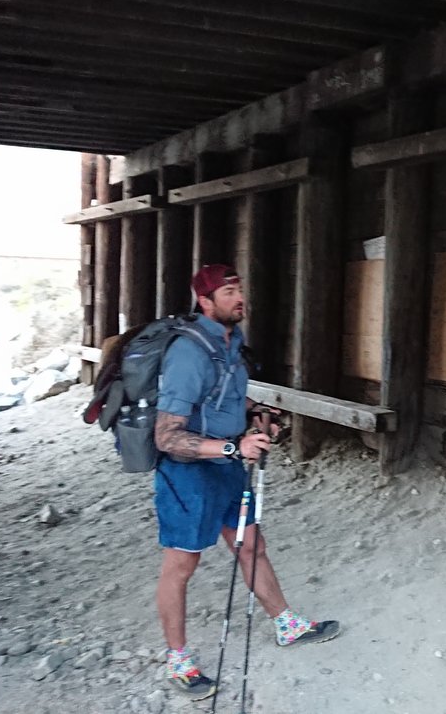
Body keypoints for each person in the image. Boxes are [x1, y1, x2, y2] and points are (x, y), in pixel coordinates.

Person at [153, 264, 340, 699]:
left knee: (251, 545)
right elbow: (168, 436)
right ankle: (178, 660)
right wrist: (234, 448)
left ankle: (286, 624)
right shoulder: (188, 353)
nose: (239, 298)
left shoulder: (230, 343)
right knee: (182, 565)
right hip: (189, 475)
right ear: (205, 301)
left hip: (226, 467)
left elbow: (228, 396)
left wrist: (259, 415)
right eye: (228, 292)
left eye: (239, 289)